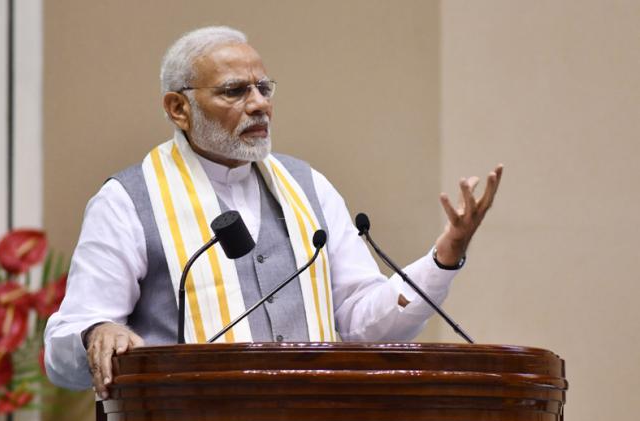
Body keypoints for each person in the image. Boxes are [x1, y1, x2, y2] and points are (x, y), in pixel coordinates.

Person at [44, 26, 503, 400]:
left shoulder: (308, 187)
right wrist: (95, 333)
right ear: (178, 108)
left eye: (264, 88)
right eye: (235, 91)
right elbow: (62, 352)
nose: (259, 103)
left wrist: (445, 256)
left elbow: (363, 323)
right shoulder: (127, 201)